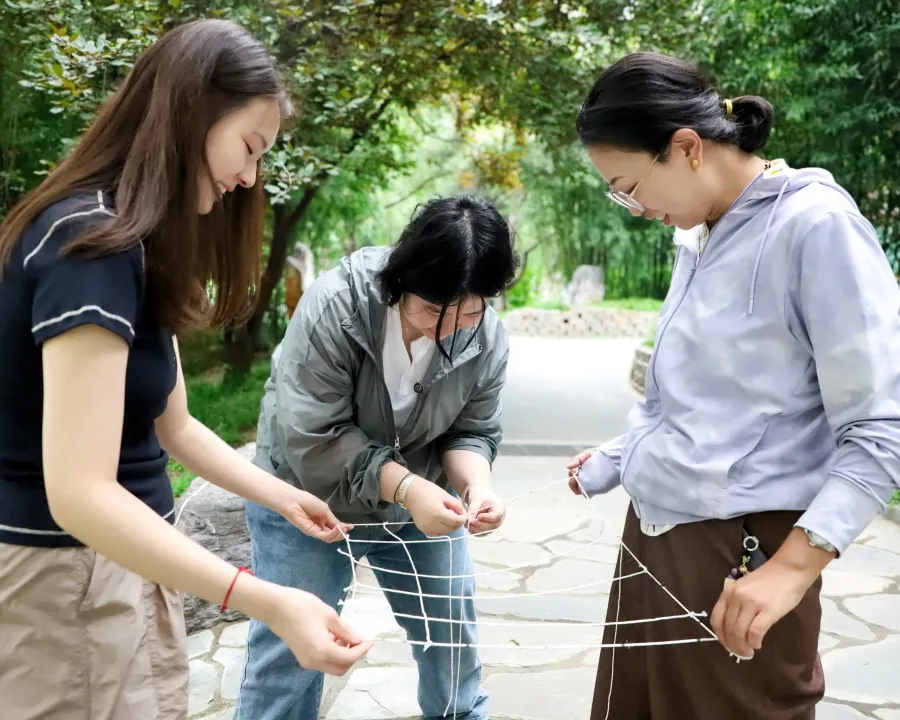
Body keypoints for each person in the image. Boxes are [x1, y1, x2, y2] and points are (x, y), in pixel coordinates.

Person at [0, 19, 371, 720]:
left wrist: (283, 497)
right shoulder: (90, 246)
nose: (250, 177)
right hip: (65, 577)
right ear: (193, 111)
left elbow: (174, 426)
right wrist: (264, 599)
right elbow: (78, 493)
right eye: (249, 147)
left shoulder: (137, 244)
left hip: (132, 561)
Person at [567, 51, 900, 720]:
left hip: (742, 561)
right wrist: (621, 456)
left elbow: (880, 427)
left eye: (629, 187)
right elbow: (691, 401)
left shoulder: (816, 227)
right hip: (653, 543)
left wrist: (792, 570)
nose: (634, 209)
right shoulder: (699, 233)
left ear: (687, 147)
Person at [236, 195, 518, 720]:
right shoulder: (335, 305)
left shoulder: (486, 336)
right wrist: (408, 489)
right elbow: (314, 435)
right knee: (289, 657)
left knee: (451, 642)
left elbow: (471, 431)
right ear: (400, 279)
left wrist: (476, 488)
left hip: (420, 503)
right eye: (432, 309)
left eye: (469, 312)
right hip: (306, 499)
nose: (447, 329)